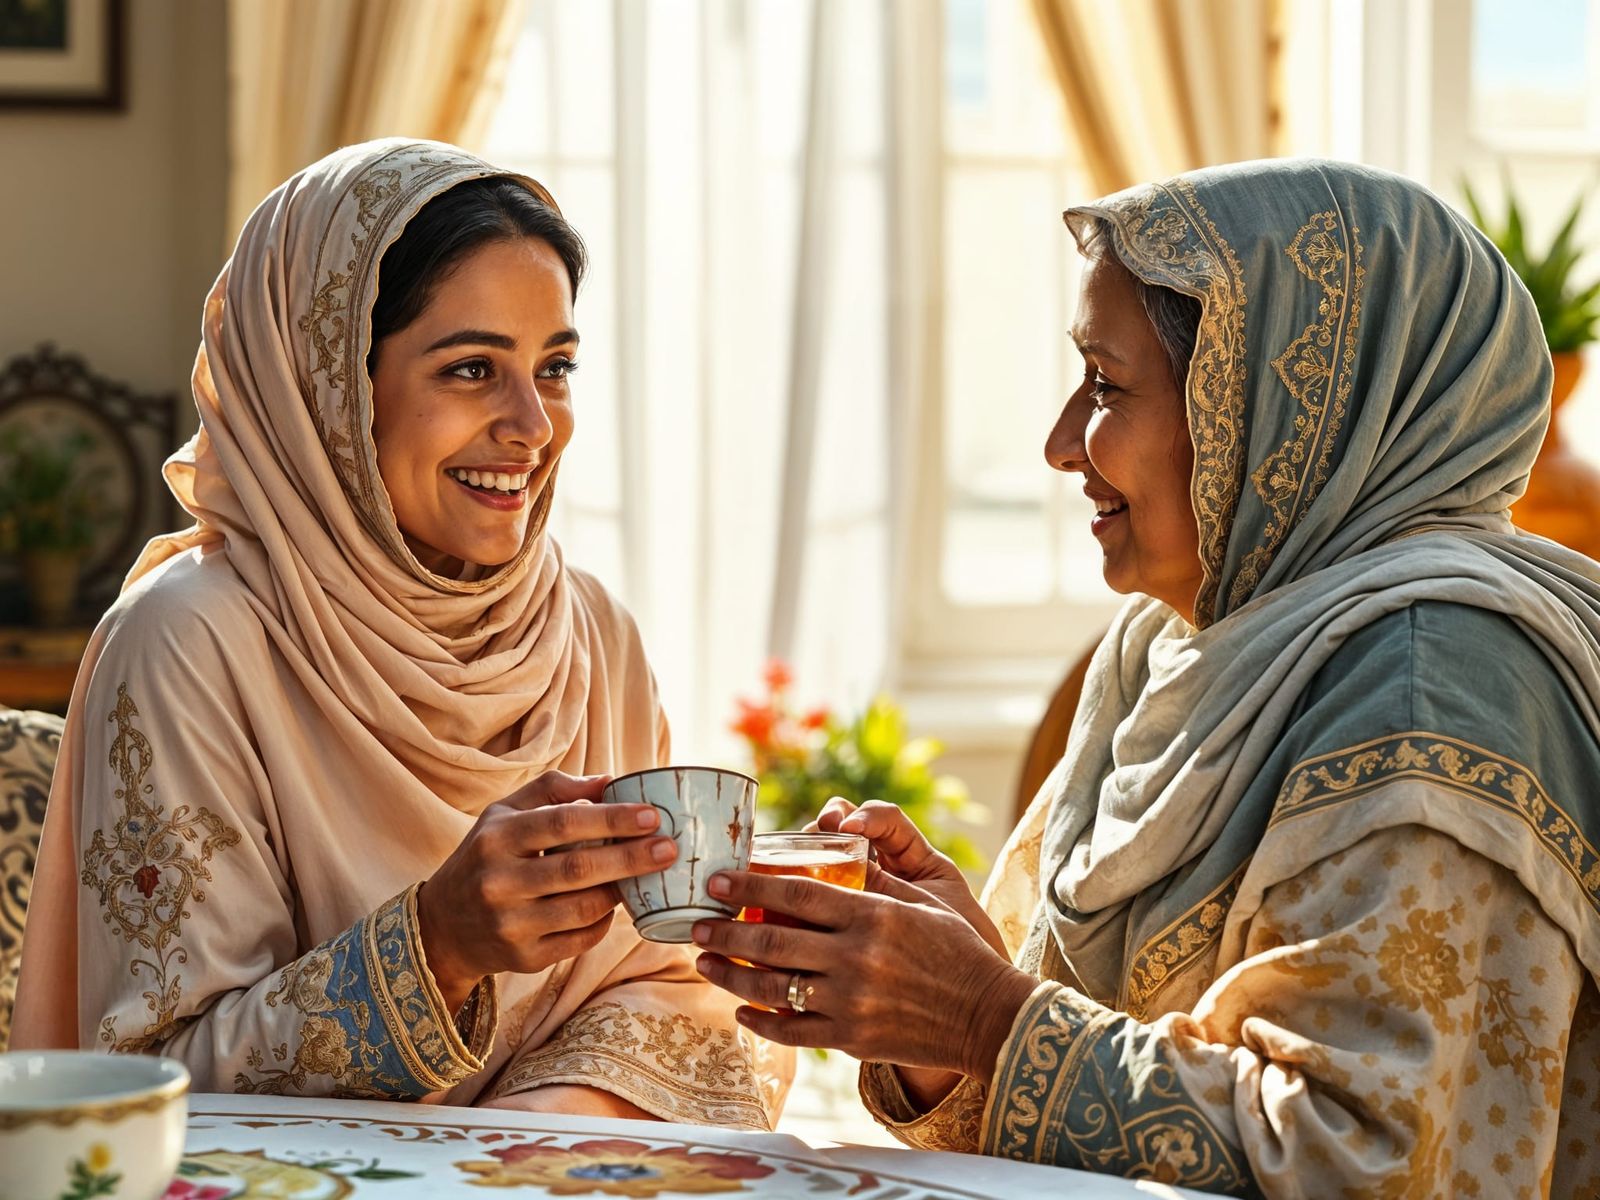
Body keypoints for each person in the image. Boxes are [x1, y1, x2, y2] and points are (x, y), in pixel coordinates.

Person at [690, 158, 1600, 1193]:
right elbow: (1068, 1063)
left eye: (1106, 386)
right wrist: (943, 996)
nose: (1057, 445)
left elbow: (1365, 1161)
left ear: (1271, 415)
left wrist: (987, 1018)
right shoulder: (1164, 649)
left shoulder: (1434, 680)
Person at [13, 138, 786, 1128]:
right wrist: (439, 945)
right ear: (329, 393)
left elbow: (675, 993)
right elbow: (161, 1088)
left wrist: (528, 1151)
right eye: (472, 369)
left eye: (553, 368)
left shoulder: (587, 635)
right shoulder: (191, 644)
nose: (533, 427)